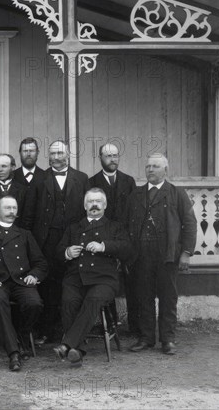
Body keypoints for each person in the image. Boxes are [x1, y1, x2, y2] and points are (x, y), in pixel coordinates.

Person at [127, 154, 197, 355]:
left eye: (155, 166)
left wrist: (185, 253)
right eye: (148, 166)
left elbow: (190, 225)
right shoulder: (136, 194)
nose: (150, 170)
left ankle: (168, 340)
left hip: (168, 255)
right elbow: (127, 224)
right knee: (144, 297)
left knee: (168, 298)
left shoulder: (177, 193)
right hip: (141, 255)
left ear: (166, 170)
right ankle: (146, 338)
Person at [53, 188, 132, 366]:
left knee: (93, 298)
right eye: (90, 202)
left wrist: (104, 246)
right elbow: (57, 251)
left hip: (104, 279)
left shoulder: (115, 227)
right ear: (84, 205)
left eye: (98, 201)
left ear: (104, 205)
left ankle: (67, 344)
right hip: (76, 278)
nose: (94, 205)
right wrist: (67, 252)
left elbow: (127, 248)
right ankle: (76, 350)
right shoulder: (74, 227)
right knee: (69, 300)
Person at [0, 196, 47, 371]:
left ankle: (21, 333)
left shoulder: (25, 234)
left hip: (21, 280)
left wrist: (34, 275)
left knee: (34, 303)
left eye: (14, 208)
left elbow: (40, 262)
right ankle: (14, 353)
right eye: (7, 208)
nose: (11, 212)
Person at [23, 140, 88, 344]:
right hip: (47, 240)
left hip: (73, 239)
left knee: (71, 284)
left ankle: (72, 331)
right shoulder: (39, 179)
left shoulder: (82, 178)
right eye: (52, 154)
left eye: (60, 153)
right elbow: (29, 213)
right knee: (48, 286)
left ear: (68, 155)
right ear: (48, 156)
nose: (56, 157)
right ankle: (47, 331)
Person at [88, 143, 137, 334]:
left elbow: (133, 211)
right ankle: (110, 323)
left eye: (115, 155)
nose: (112, 159)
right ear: (100, 158)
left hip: (124, 239)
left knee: (131, 282)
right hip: (103, 239)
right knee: (105, 279)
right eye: (108, 156)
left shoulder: (128, 181)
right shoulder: (92, 182)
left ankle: (135, 327)